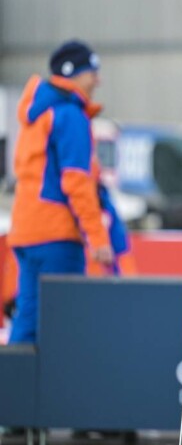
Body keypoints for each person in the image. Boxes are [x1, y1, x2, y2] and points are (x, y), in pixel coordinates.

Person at [7, 40, 114, 344]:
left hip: (26, 231)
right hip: (56, 235)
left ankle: (14, 376)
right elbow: (77, 183)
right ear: (74, 73)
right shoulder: (70, 115)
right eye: (92, 72)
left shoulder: (39, 112)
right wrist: (97, 237)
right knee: (63, 326)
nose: (97, 81)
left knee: (28, 321)